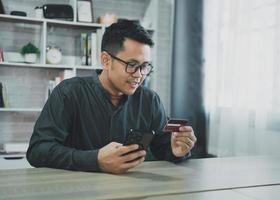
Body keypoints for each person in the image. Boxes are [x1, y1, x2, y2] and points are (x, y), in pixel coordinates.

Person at [26, 20, 197, 174]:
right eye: (132, 65)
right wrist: (95, 160)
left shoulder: (149, 100)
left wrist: (176, 150)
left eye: (145, 66)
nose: (139, 75)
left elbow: (162, 147)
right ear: (106, 60)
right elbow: (38, 151)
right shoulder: (69, 93)